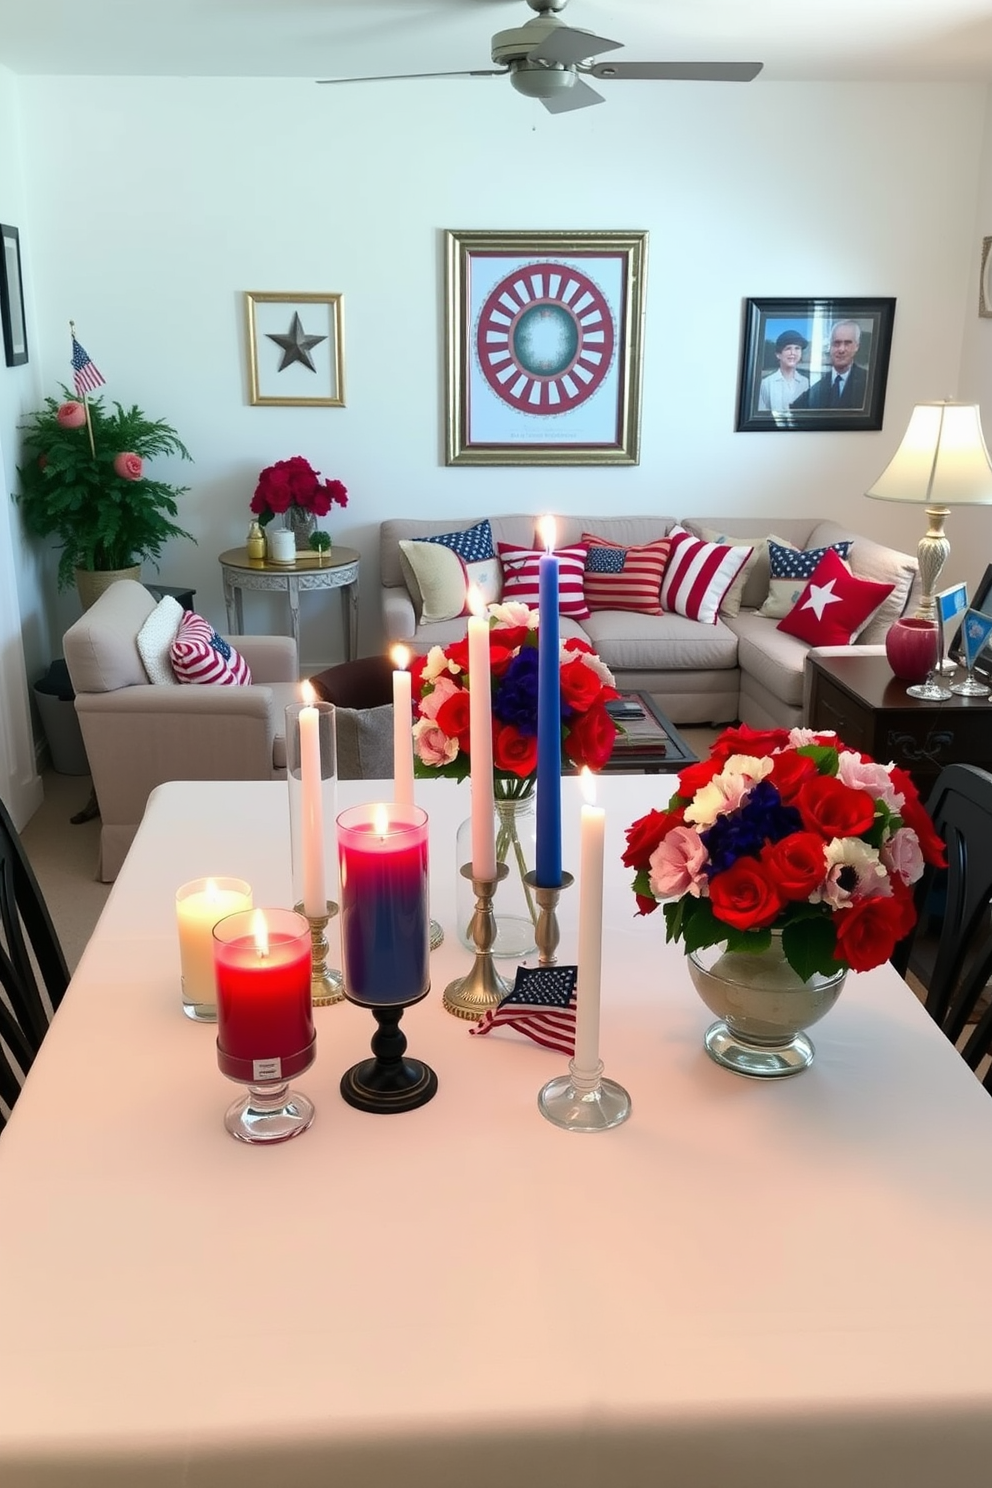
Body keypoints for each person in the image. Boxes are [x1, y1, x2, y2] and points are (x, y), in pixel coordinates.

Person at [792, 320, 868, 410]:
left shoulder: (869, 381)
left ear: (857, 346)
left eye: (847, 343)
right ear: (830, 347)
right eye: (837, 343)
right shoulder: (816, 388)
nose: (841, 349)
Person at [757, 329, 810, 412]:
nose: (793, 353)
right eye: (788, 348)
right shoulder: (767, 383)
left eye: (797, 348)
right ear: (778, 355)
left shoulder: (806, 382)